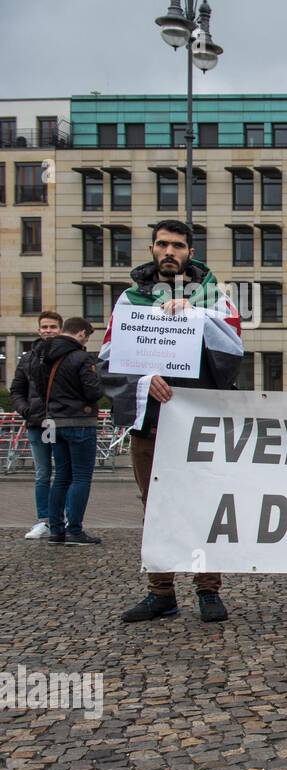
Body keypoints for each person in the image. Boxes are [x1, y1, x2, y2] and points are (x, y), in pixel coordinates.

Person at [100, 219, 243, 623]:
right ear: (152, 249)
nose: (169, 252)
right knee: (154, 508)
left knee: (202, 505)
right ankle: (160, 591)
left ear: (189, 253)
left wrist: (195, 314)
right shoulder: (129, 300)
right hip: (152, 422)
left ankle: (208, 590)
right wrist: (144, 380)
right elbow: (109, 359)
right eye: (162, 244)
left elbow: (233, 350)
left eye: (177, 246)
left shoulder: (214, 296)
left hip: (198, 424)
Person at [31, 316, 105, 545]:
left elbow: (38, 389)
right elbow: (93, 392)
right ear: (81, 333)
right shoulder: (81, 358)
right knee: (81, 477)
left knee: (60, 477)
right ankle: (74, 530)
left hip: (53, 421)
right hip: (79, 422)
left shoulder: (43, 355)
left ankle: (56, 531)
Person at [9, 311, 64, 539]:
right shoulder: (28, 358)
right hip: (36, 422)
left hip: (61, 422)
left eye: (52, 327)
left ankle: (64, 518)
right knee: (42, 474)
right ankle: (43, 520)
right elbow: (17, 389)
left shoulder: (67, 355)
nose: (48, 330)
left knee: (63, 474)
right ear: (38, 330)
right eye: (44, 327)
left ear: (60, 329)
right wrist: (25, 410)